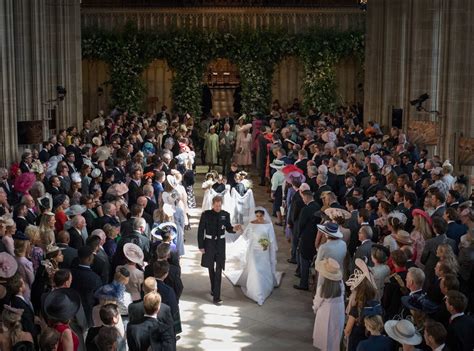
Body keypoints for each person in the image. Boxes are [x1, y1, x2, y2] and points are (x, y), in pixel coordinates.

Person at [224, 208, 282, 305]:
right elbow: (246, 236)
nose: (259, 218)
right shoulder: (252, 224)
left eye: (260, 216)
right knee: (255, 269)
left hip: (264, 250)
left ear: (263, 215)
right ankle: (257, 293)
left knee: (262, 269)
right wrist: (241, 230)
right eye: (257, 216)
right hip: (253, 251)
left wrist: (267, 246)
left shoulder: (268, 225)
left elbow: (271, 239)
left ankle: (264, 288)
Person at [197, 196, 241, 305]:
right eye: (216, 206)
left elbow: (228, 228)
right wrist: (201, 246)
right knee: (211, 267)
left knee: (219, 269)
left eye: (219, 206)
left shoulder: (225, 215)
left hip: (220, 244)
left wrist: (234, 229)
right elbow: (200, 231)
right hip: (209, 244)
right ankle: (213, 289)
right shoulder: (206, 214)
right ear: (212, 204)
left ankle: (216, 297)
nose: (218, 207)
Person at [312, 258, 345, 351]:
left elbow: (317, 302)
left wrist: (315, 308)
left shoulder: (322, 288)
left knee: (325, 334)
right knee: (335, 334)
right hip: (338, 310)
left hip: (325, 312)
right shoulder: (341, 284)